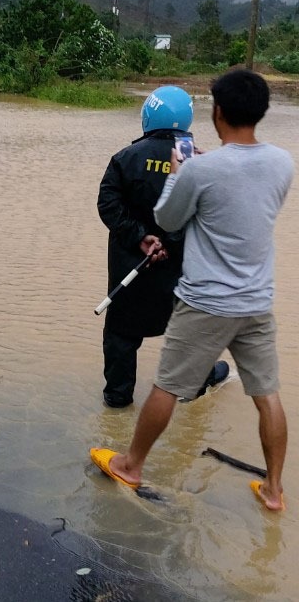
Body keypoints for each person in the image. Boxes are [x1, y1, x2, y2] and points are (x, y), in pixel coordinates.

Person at [91, 69, 293, 512]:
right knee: (267, 394)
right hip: (257, 298)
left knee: (165, 385)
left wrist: (181, 174)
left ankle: (130, 463)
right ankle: (274, 490)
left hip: (206, 298)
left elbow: (167, 218)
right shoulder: (283, 162)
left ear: (218, 111)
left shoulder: (198, 167)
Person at [97, 85, 228, 408]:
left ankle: (117, 397)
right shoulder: (195, 157)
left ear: (147, 115)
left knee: (122, 334)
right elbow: (211, 213)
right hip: (184, 271)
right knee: (190, 330)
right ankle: (196, 386)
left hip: (131, 267)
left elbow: (108, 205)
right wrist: (170, 241)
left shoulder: (126, 158)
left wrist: (140, 237)